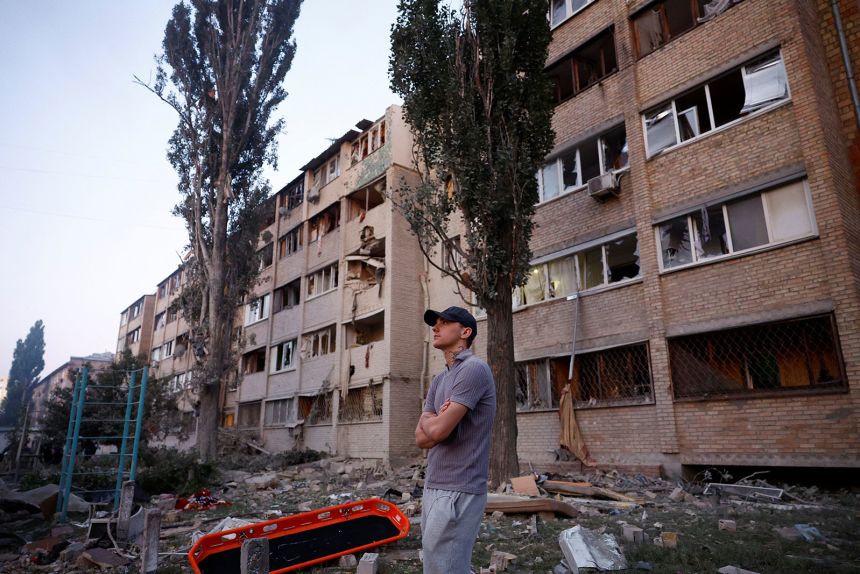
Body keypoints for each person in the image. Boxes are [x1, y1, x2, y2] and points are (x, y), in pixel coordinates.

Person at [417, 306, 496, 574]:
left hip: (459, 487)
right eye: (435, 324)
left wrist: (434, 422)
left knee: (445, 568)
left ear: (465, 332)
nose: (435, 328)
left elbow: (438, 433)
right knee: (437, 564)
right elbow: (420, 439)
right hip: (434, 484)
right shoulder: (440, 379)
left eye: (444, 323)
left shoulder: (474, 369)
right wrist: (438, 419)